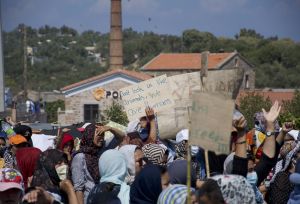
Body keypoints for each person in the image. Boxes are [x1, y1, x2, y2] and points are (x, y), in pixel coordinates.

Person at [72, 123, 125, 204]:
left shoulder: (103, 148)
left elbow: (121, 136)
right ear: (89, 135)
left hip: (105, 197)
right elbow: (79, 188)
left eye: (103, 135)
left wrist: (110, 128)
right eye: (99, 135)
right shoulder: (80, 157)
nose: (101, 138)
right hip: (90, 199)